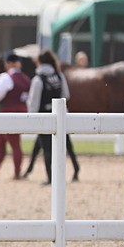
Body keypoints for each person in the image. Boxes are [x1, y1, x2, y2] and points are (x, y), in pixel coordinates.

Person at [25, 49, 78, 184]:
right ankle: (76, 168)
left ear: (40, 62)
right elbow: (66, 95)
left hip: (44, 117)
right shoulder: (59, 75)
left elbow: (33, 102)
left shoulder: (38, 79)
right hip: (60, 116)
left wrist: (32, 119)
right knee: (66, 145)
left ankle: (51, 178)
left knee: (47, 149)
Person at [0, 52, 31, 180]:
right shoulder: (26, 79)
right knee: (3, 141)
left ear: (8, 64)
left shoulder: (6, 78)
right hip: (21, 112)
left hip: (6, 113)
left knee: (12, 143)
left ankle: (16, 173)